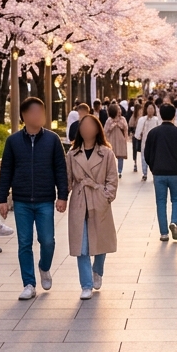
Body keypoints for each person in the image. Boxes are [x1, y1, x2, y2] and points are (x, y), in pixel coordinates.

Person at [0, 97, 69, 300]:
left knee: (47, 241)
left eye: (42, 112)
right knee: (24, 243)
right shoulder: (13, 142)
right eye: (36, 112)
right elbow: (6, 171)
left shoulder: (52, 140)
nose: (40, 116)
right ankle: (29, 283)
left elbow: (60, 169)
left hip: (45, 199)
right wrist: (3, 198)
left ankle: (44, 267)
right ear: (25, 116)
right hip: (21, 201)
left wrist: (62, 195)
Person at [66, 113, 119, 299]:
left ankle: (98, 270)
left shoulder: (106, 153)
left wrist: (106, 196)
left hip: (99, 200)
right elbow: (67, 180)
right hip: (79, 201)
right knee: (82, 245)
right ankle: (86, 285)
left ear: (97, 129)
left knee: (101, 243)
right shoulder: (72, 154)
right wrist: (62, 197)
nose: (86, 128)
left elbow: (112, 179)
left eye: (90, 125)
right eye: (83, 125)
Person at [144, 103, 177, 241]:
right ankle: (174, 222)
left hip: (158, 173)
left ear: (160, 115)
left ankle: (164, 233)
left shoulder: (153, 133)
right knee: (176, 199)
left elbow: (147, 153)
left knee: (161, 202)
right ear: (174, 115)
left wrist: (153, 166)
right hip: (175, 172)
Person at [135, 102, 161, 180]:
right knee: (143, 158)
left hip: (154, 142)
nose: (150, 110)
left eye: (152, 108)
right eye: (149, 108)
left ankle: (154, 172)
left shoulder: (156, 119)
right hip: (144, 141)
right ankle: (144, 173)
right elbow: (138, 131)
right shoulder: (142, 119)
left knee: (154, 158)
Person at [104, 103, 129, 176]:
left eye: (119, 109)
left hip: (120, 140)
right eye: (118, 110)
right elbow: (105, 130)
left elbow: (126, 129)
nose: (119, 111)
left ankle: (119, 171)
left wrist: (125, 138)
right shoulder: (109, 120)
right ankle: (111, 171)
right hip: (111, 140)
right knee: (111, 156)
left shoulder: (123, 119)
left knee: (120, 156)